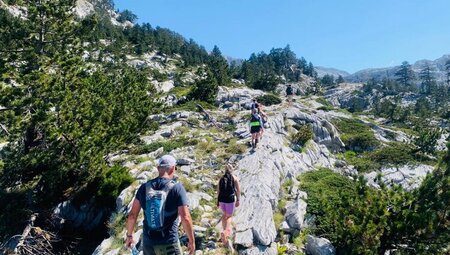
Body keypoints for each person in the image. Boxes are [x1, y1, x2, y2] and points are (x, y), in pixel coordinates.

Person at [125, 155, 195, 255]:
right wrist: (191, 241)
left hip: (149, 243)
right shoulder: (177, 188)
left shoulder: (144, 187)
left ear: (158, 168)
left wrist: (129, 236)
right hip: (169, 243)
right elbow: (185, 217)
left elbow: (132, 216)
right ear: (173, 168)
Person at [217, 163, 241, 246]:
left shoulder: (221, 178)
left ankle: (224, 231)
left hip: (221, 200)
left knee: (224, 215)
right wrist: (238, 200)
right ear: (232, 170)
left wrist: (217, 201)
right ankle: (226, 232)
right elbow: (238, 191)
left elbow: (218, 191)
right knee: (229, 216)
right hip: (230, 200)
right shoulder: (234, 178)